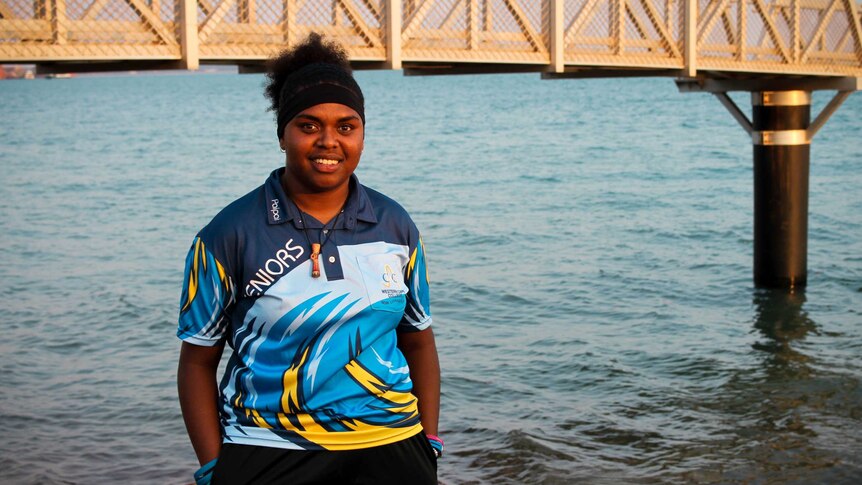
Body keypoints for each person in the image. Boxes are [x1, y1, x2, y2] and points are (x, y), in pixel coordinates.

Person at [176, 33, 441, 485]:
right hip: (269, 448)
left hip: (393, 446)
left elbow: (418, 339)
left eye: (346, 126)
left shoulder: (395, 224)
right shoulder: (228, 233)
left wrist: (428, 443)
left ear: (361, 134)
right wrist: (213, 466)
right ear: (282, 133)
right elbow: (198, 361)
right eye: (308, 125)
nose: (328, 141)